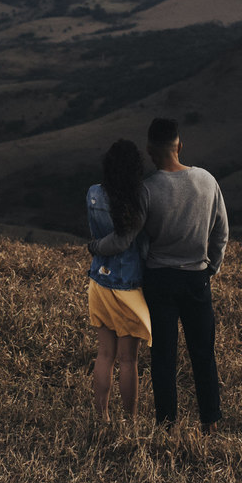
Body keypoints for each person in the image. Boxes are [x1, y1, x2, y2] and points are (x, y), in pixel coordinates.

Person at [90, 118, 228, 432]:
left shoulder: (148, 189)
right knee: (203, 354)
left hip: (160, 281)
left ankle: (167, 425)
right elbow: (221, 232)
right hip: (197, 278)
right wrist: (212, 267)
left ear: (151, 151)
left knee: (164, 358)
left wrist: (94, 245)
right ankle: (211, 422)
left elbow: (126, 239)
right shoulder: (207, 180)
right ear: (180, 145)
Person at [86, 139, 152, 422]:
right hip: (127, 286)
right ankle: (130, 420)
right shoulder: (139, 197)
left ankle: (102, 417)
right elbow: (131, 242)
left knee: (104, 355)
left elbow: (96, 233)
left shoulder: (93, 193)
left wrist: (95, 248)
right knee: (129, 361)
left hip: (99, 281)